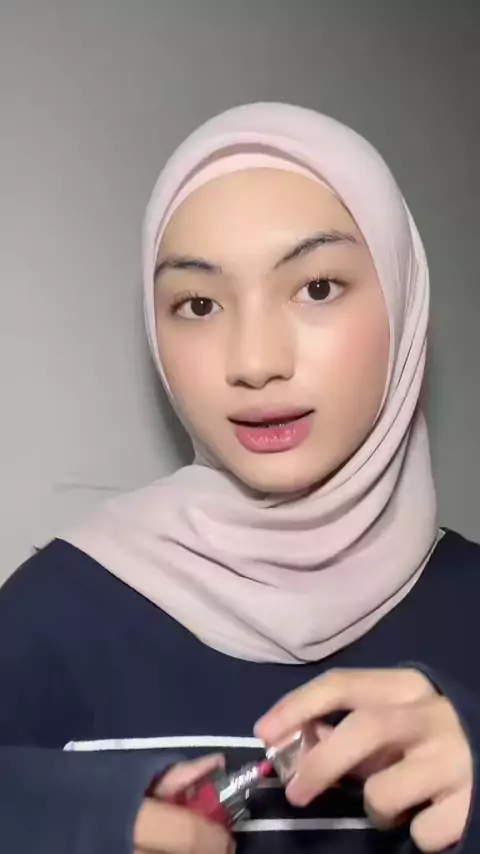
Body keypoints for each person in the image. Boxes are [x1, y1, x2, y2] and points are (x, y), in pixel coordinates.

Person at [0, 102, 478, 854]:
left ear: (402, 298)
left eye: (317, 288)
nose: (254, 361)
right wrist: (66, 821)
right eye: (198, 304)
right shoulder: (52, 612)